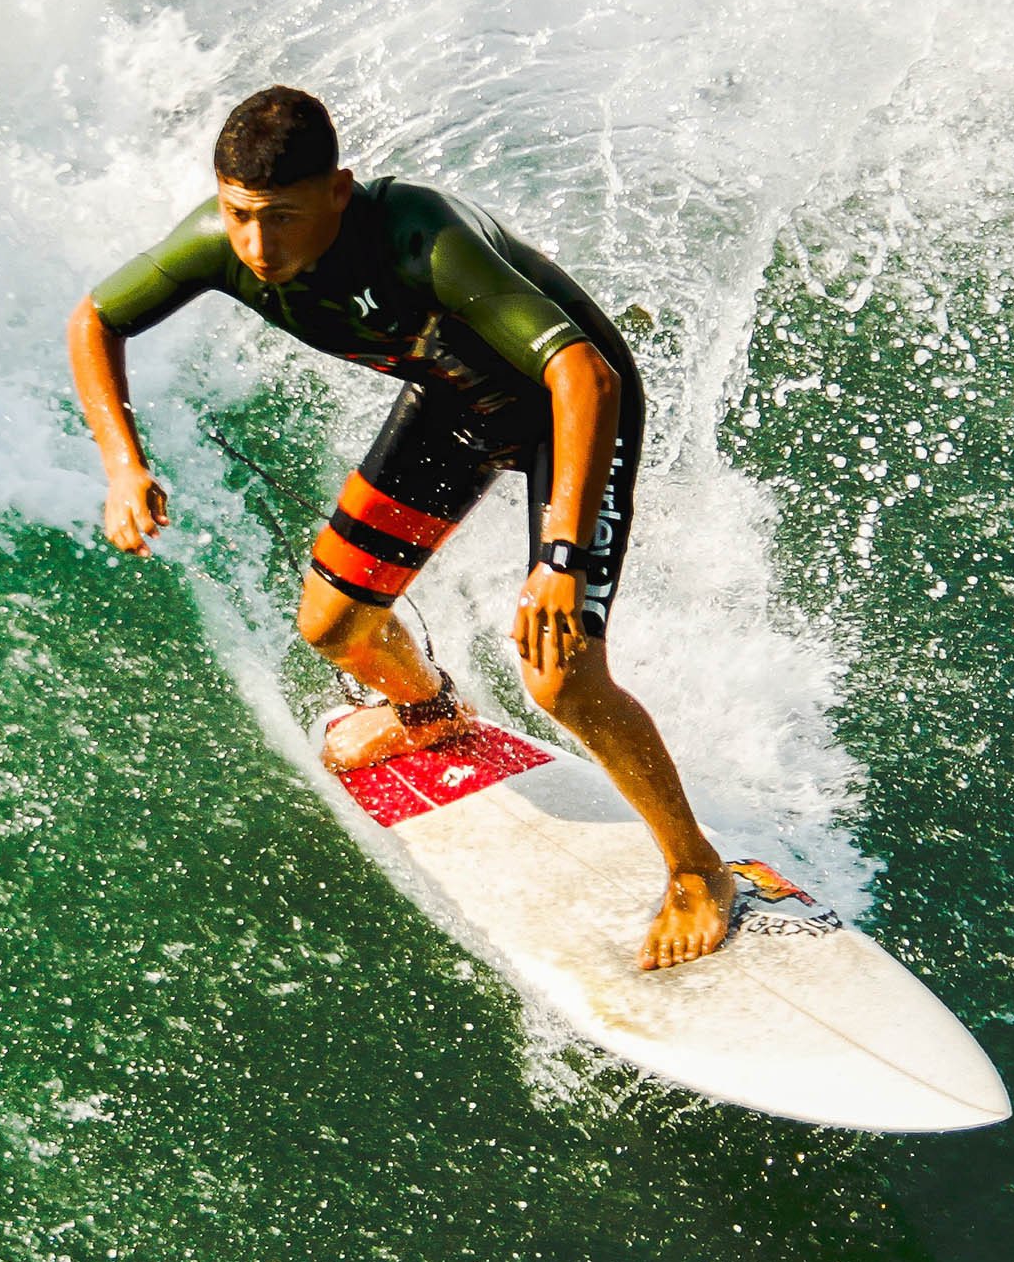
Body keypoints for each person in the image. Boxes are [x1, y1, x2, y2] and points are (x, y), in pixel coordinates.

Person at [66, 86, 737, 970]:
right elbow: (97, 319)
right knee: (333, 626)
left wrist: (561, 560)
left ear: (339, 192)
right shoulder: (219, 245)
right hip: (457, 404)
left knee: (562, 674)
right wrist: (123, 464)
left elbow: (582, 373)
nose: (258, 247)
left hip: (570, 415)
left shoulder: (423, 240)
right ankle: (429, 711)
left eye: (282, 218)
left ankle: (698, 872)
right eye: (238, 216)